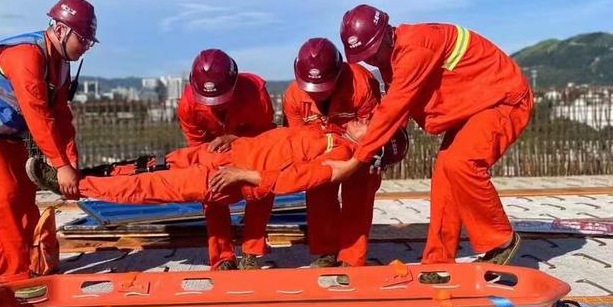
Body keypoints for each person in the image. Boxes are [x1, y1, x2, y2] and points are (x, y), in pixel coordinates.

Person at [327, 5, 532, 270]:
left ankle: (500, 240)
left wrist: (356, 159)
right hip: (475, 107)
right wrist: (380, 135)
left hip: (503, 100)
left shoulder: (415, 49)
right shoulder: (392, 57)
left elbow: (395, 107)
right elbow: (399, 107)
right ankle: (438, 262)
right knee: (446, 177)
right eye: (365, 57)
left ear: (386, 34)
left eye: (373, 52)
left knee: (461, 163)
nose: (371, 60)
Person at [0, 0, 97, 284]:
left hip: (2, 132)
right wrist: (60, 165)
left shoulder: (61, 63)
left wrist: (71, 161)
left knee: (25, 193)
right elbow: (37, 114)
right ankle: (10, 277)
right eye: (83, 39)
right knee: (6, 194)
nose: (85, 46)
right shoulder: (26, 56)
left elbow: (60, 115)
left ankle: (33, 262)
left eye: (89, 41)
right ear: (61, 30)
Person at [27, 120, 407, 232]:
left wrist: (241, 173)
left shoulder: (342, 158)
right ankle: (81, 174)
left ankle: (71, 185)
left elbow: (294, 181)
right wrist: (238, 139)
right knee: (153, 165)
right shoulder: (332, 134)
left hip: (228, 177)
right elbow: (279, 142)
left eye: (370, 123)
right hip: (225, 153)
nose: (363, 118)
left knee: (150, 187)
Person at [282, 38, 382, 267]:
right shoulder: (294, 97)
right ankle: (327, 252)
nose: (318, 95)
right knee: (318, 194)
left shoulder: (362, 84)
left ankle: (352, 258)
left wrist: (355, 157)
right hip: (319, 151)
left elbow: (374, 131)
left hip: (359, 150)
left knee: (358, 195)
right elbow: (299, 142)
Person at [176, 49, 276, 270]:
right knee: (210, 188)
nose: (215, 105)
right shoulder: (188, 106)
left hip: (252, 148)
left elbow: (267, 139)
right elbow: (197, 148)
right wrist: (212, 159)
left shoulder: (256, 94)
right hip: (214, 154)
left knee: (261, 186)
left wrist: (236, 140)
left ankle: (252, 252)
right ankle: (222, 257)